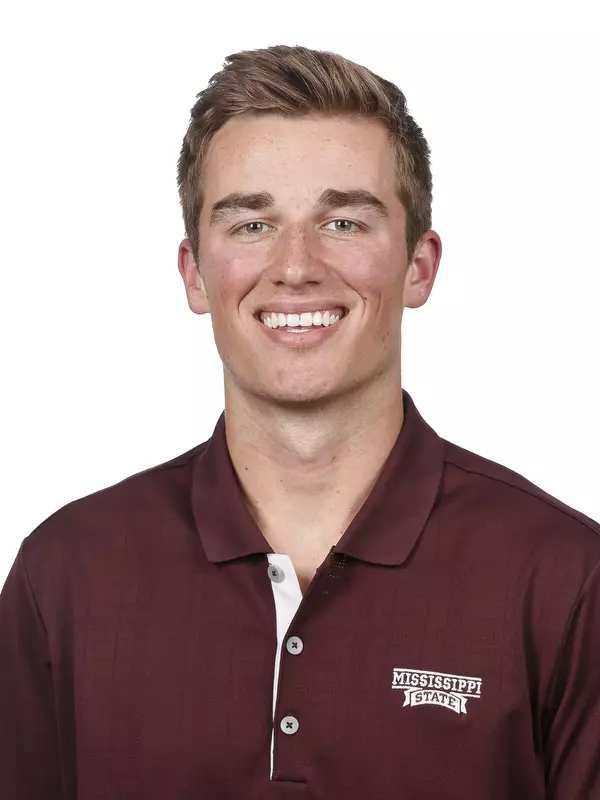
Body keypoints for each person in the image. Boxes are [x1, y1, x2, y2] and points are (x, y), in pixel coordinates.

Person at [1, 44, 599, 800]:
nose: (295, 266)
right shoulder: (66, 575)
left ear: (419, 266)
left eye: (343, 221)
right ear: (194, 273)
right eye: (252, 225)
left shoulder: (566, 579)